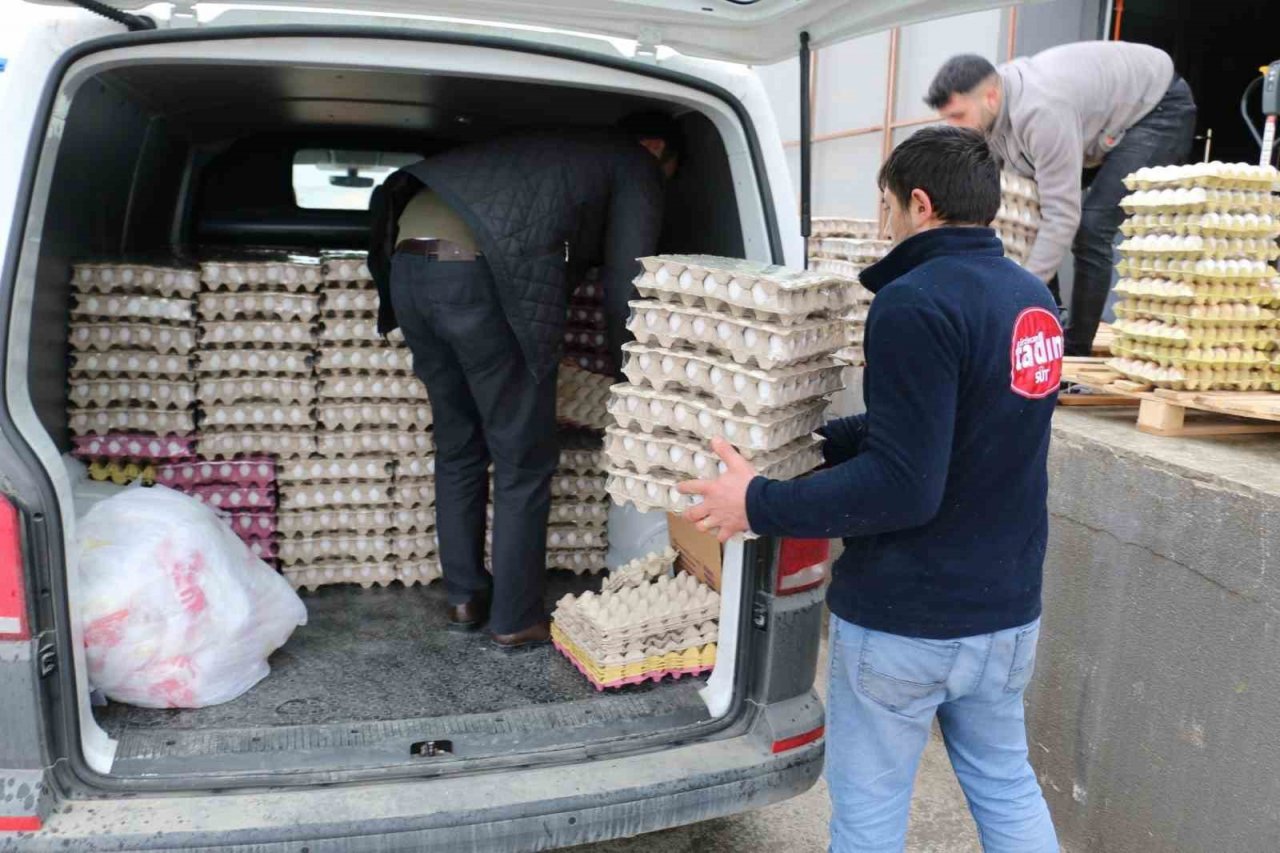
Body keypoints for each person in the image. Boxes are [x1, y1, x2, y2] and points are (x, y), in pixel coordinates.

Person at [679, 126, 1061, 852]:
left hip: (909, 621)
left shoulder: (915, 302)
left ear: (918, 204)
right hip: (1006, 617)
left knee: (870, 813)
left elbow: (905, 484)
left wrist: (757, 502)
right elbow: (957, 427)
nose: (883, 222)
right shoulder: (1031, 300)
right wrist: (815, 442)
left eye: (885, 205)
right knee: (1007, 786)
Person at [368, 114, 681, 649]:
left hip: (407, 265)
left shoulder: (548, 145)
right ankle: (515, 618)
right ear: (655, 146)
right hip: (477, 275)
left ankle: (465, 595)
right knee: (522, 458)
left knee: (459, 445)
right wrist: (634, 374)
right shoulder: (633, 162)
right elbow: (626, 280)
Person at [926, 42, 1196, 356]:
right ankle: (1046, 319)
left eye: (958, 115)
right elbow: (995, 203)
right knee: (1026, 212)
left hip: (1157, 107)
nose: (953, 126)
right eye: (947, 118)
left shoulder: (1041, 112)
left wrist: (1017, 292)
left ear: (990, 97)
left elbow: (1062, 214)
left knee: (1092, 227)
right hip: (1097, 119)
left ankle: (1074, 347)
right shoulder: (989, 113)